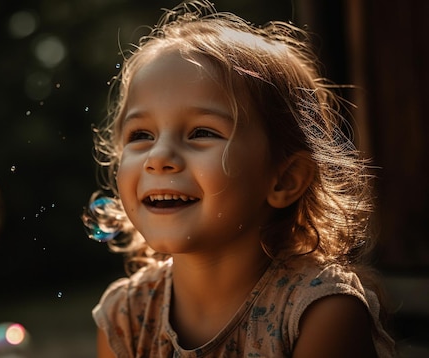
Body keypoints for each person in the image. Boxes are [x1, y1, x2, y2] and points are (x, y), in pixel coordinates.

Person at [81, 0, 397, 357]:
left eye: (201, 132)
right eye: (140, 135)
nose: (158, 158)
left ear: (284, 180)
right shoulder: (126, 318)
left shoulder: (322, 313)